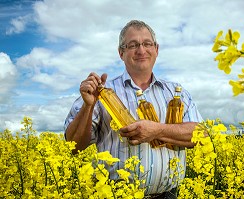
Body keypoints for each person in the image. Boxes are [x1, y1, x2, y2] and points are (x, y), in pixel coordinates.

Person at [64, 20, 203, 198]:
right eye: (133, 45)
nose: (141, 50)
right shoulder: (101, 92)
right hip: (115, 195)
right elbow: (73, 147)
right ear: (121, 53)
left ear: (156, 49)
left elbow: (201, 135)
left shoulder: (177, 92)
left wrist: (157, 131)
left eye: (147, 43)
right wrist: (88, 106)